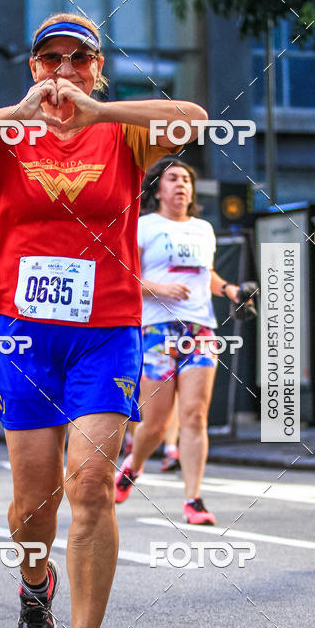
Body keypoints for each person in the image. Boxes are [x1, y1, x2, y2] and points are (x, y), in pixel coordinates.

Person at [0, 12, 208, 628]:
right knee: (34, 503)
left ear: (97, 68)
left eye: (80, 60)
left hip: (106, 331)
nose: (65, 72)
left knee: (91, 488)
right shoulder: (3, 134)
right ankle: (33, 579)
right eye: (51, 61)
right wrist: (14, 112)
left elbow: (192, 116)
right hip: (20, 333)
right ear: (33, 69)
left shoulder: (124, 130)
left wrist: (99, 108)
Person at [114, 158, 245, 524]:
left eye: (186, 179)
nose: (181, 185)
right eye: (172, 178)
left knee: (194, 415)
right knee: (154, 425)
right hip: (156, 330)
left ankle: (194, 500)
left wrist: (231, 290)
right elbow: (124, 276)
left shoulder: (204, 229)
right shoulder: (143, 227)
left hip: (200, 330)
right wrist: (160, 288)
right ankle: (133, 466)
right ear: (157, 189)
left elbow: (208, 277)